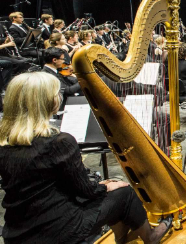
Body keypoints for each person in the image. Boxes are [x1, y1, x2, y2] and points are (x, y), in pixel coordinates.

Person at [0, 72, 172, 244]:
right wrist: (105, 187)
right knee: (125, 192)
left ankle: (122, 238)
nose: (59, 97)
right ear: (46, 102)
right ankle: (151, 238)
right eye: (56, 94)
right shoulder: (59, 142)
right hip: (60, 230)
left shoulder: (4, 141)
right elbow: (86, 191)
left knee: (111, 190)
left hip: (16, 230)